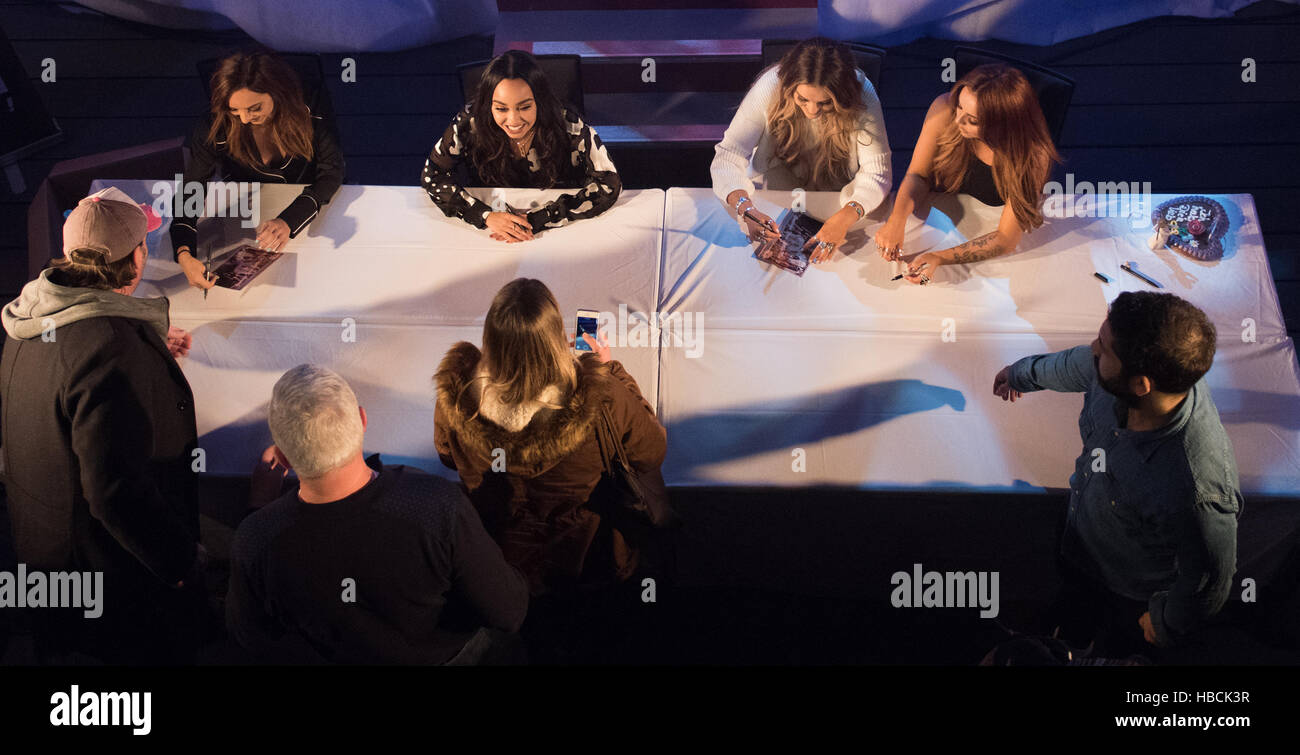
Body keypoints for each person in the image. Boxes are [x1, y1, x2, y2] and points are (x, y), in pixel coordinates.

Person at [0, 187, 206, 664]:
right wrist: (177, 560)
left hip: (44, 552)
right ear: (136, 260)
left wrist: (141, 344)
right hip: (107, 581)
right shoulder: (107, 351)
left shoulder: (32, 317)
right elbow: (114, 491)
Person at [227, 364, 529, 664]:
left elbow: (251, 637)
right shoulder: (437, 506)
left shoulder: (256, 538)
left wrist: (261, 506)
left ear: (282, 458)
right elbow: (508, 610)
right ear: (361, 420)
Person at [992, 292, 1240, 654]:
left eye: (1105, 349)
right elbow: (1075, 364)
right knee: (1074, 607)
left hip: (1128, 590)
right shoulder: (1127, 376)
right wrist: (1022, 374)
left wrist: (1165, 621)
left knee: (1114, 645)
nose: (1093, 348)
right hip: (1083, 540)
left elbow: (1209, 579)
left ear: (1141, 385)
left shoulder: (1196, 487)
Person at [434, 279, 666, 593]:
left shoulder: (457, 398)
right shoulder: (601, 396)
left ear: (490, 336)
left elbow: (448, 458)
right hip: (586, 558)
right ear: (555, 337)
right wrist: (609, 369)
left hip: (497, 560)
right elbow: (651, 451)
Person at [171, 51, 345, 291]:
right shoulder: (215, 124)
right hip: (248, 207)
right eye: (235, 111)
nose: (243, 119)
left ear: (277, 92)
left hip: (304, 200)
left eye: (254, 108)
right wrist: (184, 253)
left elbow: (332, 171)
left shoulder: (310, 109)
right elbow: (191, 188)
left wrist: (288, 221)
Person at [875, 64, 1061, 285]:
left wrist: (939, 257)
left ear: (1004, 123)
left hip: (986, 235)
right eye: (959, 107)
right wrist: (897, 220)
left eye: (972, 120)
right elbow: (918, 175)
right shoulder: (944, 107)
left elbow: (1006, 239)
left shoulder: (1032, 154)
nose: (957, 121)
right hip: (936, 220)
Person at [712, 37, 891, 265]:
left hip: (837, 196)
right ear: (789, 87)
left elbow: (878, 172)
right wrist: (746, 209)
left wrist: (846, 217)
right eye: (803, 99)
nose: (812, 111)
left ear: (844, 95)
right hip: (775, 193)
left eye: (825, 103)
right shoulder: (770, 86)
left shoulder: (862, 92)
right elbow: (728, 156)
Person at [421, 50, 621, 242]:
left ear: (539, 102)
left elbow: (609, 184)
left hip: (558, 232)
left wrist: (540, 218)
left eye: (525, 107)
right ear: (488, 104)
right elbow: (433, 175)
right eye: (501, 108)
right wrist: (485, 216)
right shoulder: (470, 122)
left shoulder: (568, 124)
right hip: (492, 229)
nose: (513, 120)